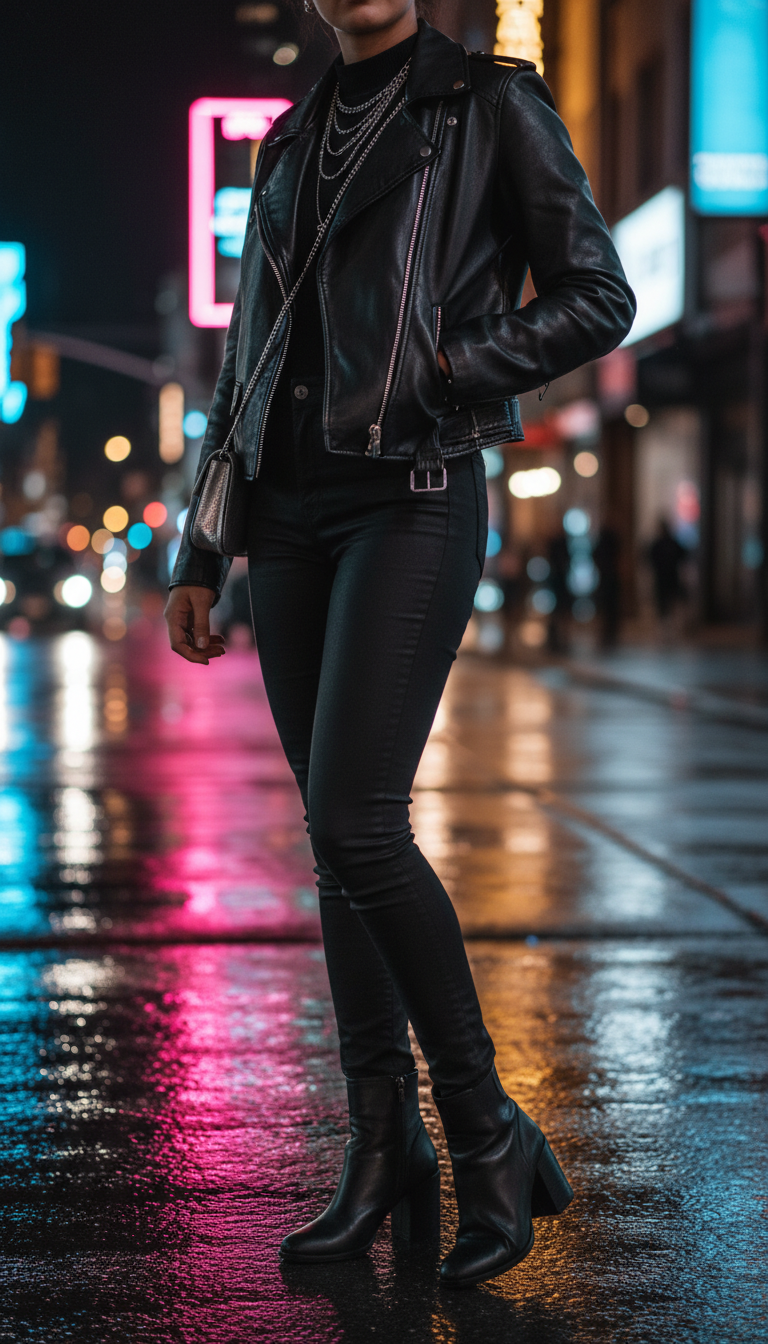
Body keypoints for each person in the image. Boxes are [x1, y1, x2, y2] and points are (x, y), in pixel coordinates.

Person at [165, 0, 635, 1288]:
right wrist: (202, 546)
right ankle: (383, 1151)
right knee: (335, 843)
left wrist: (447, 362)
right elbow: (246, 354)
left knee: (359, 823)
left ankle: (484, 1131)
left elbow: (599, 296)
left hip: (413, 493)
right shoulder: (288, 140)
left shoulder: (488, 104)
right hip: (288, 514)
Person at [648, 517, 687, 621]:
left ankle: (666, 621)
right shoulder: (671, 543)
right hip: (670, 576)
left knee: (664, 601)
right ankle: (668, 621)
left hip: (663, 577)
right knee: (669, 600)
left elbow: (651, 559)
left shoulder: (658, 544)